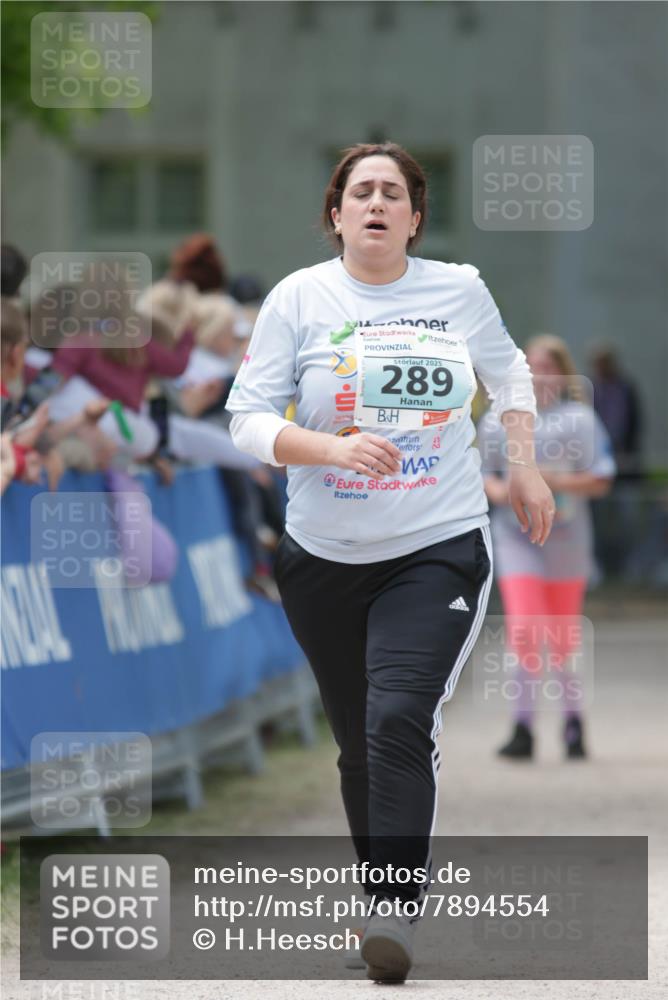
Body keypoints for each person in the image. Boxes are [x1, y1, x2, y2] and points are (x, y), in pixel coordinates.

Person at [226, 142, 554, 983]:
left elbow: (510, 373)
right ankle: (381, 894)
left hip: (436, 544)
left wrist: (522, 462)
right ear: (336, 213)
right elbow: (247, 419)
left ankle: (393, 913)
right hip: (323, 555)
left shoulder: (459, 289)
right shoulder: (299, 298)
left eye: (393, 193)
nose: (376, 203)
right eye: (360, 191)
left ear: (414, 216)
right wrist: (327, 449)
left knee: (397, 716)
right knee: (355, 743)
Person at [477, 335, 616, 762]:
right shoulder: (499, 421)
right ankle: (522, 726)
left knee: (560, 638)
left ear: (563, 372)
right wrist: (502, 490)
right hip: (517, 539)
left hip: (566, 544)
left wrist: (552, 481)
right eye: (531, 366)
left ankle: (573, 721)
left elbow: (601, 478)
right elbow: (481, 473)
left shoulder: (579, 420)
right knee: (524, 627)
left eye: (548, 366)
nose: (539, 374)